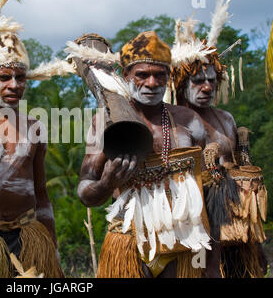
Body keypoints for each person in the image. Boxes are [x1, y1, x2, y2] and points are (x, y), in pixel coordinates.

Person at [77, 31, 215, 278]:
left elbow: (207, 194)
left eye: (159, 75)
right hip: (128, 244)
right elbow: (85, 192)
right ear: (126, 75)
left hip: (182, 244)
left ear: (169, 76)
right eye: (142, 75)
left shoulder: (189, 121)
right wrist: (108, 183)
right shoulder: (106, 122)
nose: (151, 83)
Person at [0, 0, 73, 278]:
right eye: (4, 77)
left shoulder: (34, 127)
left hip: (29, 235)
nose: (14, 85)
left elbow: (41, 192)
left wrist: (51, 244)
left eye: (20, 78)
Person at [170, 0, 268, 277]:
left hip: (238, 223)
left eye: (212, 81)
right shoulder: (174, 122)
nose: (207, 87)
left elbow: (239, 166)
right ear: (181, 83)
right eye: (198, 81)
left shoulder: (226, 118)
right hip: (198, 225)